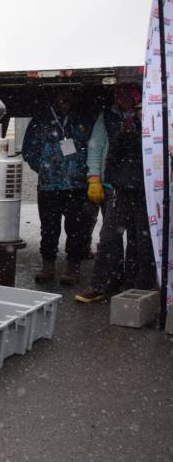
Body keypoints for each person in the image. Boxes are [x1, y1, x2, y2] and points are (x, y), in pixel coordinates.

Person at [76, 83, 155, 302]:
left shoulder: (157, 125)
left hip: (146, 192)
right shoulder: (113, 122)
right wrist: (97, 179)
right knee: (110, 237)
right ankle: (102, 284)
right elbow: (100, 149)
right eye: (118, 97)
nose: (123, 102)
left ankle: (139, 287)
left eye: (140, 107)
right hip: (119, 190)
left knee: (142, 240)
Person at [22, 89, 93, 286]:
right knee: (49, 228)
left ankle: (72, 267)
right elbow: (28, 149)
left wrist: (83, 170)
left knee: (75, 228)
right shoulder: (41, 120)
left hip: (76, 184)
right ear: (55, 98)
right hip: (48, 186)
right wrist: (44, 168)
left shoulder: (83, 120)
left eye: (69, 97)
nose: (65, 101)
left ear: (74, 99)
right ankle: (48, 267)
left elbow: (93, 147)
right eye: (61, 97)